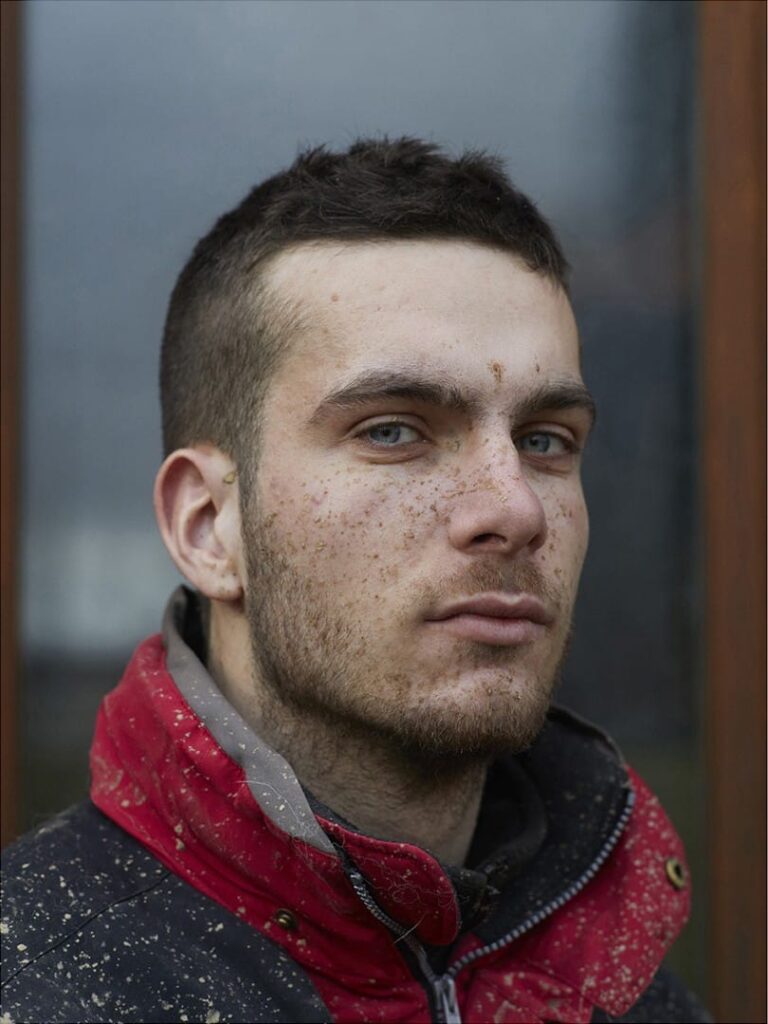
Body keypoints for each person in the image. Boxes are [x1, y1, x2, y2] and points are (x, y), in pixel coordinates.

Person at [1, 138, 710, 1024]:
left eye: (545, 440)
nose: (515, 507)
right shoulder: (40, 985)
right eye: (392, 431)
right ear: (208, 526)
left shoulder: (629, 993)